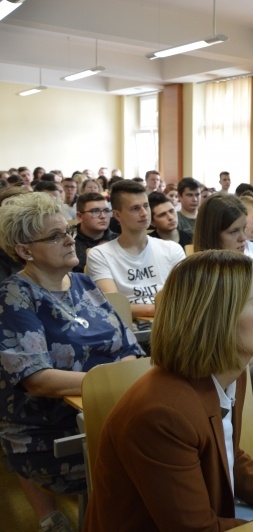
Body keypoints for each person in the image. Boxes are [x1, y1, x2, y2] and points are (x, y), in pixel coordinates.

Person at [84, 251, 253, 530]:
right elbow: (196, 529)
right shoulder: (161, 414)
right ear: (218, 316)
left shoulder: (232, 372)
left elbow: (228, 456)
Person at [0, 192, 143, 532]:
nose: (69, 240)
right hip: (49, 431)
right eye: (55, 236)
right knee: (150, 460)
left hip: (110, 408)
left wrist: (120, 379)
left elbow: (129, 346)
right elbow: (37, 379)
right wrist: (111, 381)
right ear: (24, 250)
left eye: (68, 230)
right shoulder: (13, 297)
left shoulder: (84, 283)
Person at [87, 180, 185, 320]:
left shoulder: (172, 249)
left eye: (146, 206)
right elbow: (113, 306)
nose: (144, 213)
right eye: (135, 208)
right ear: (117, 215)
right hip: (128, 329)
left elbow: (186, 299)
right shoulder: (100, 254)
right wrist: (159, 309)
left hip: (171, 324)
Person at [194, 194, 253, 274]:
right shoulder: (193, 273)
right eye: (233, 232)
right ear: (212, 234)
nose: (243, 238)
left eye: (244, 228)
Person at [73, 192, 118, 273]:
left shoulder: (119, 240)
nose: (103, 216)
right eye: (95, 211)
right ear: (80, 216)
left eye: (106, 210)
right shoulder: (69, 241)